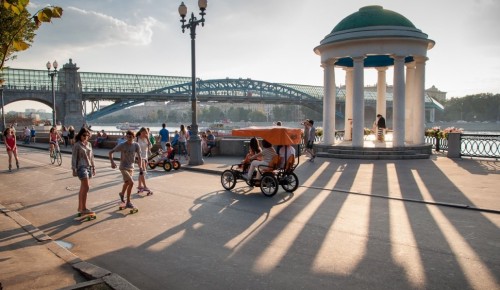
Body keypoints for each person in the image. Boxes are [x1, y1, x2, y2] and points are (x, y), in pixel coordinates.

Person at [109, 130, 142, 210]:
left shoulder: (136, 145)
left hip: (131, 167)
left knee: (127, 183)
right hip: (123, 167)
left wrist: (140, 167)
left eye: (130, 137)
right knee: (131, 182)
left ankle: (121, 193)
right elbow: (110, 152)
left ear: (134, 137)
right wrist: (112, 162)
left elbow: (139, 157)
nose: (128, 138)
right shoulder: (122, 145)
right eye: (127, 137)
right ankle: (128, 202)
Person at [71, 127, 96, 216]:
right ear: (80, 135)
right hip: (81, 167)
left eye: (87, 135)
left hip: (88, 167)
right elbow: (74, 157)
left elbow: (91, 156)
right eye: (83, 135)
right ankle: (84, 208)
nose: (85, 137)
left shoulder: (89, 144)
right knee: (86, 187)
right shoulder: (77, 145)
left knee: (83, 188)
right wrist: (73, 169)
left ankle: (80, 207)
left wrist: (93, 167)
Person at [136, 127, 152, 194]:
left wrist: (148, 138)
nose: (145, 134)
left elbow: (150, 146)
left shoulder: (146, 138)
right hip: (139, 157)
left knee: (142, 172)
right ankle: (144, 186)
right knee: (142, 171)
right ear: (140, 132)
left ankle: (139, 185)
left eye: (146, 133)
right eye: (143, 133)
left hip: (145, 157)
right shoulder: (137, 138)